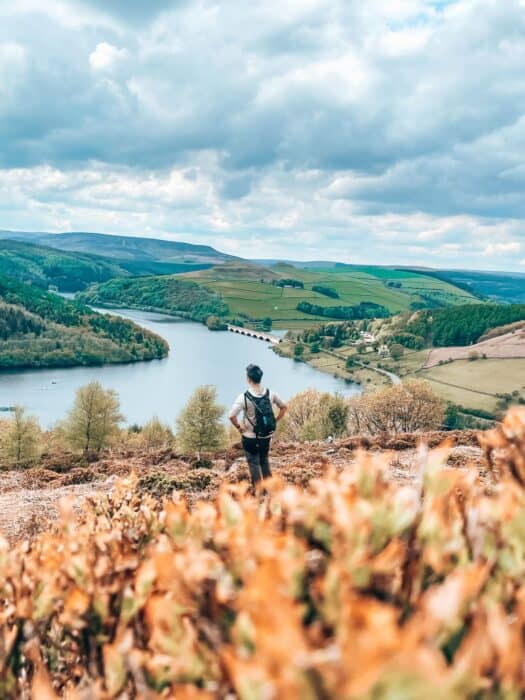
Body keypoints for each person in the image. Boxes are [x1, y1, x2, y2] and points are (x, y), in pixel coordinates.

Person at [229, 363, 287, 487]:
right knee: (264, 461)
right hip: (266, 436)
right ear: (260, 378)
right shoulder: (271, 394)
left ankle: (260, 493)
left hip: (249, 437)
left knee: (254, 463)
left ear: (248, 379)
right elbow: (284, 407)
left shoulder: (243, 397)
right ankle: (270, 491)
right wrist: (275, 420)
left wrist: (239, 428)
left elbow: (231, 416)